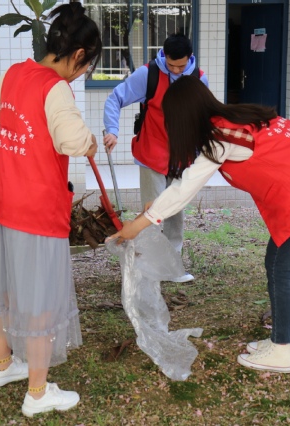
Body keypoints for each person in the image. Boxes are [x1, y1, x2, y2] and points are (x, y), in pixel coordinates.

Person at [109, 76, 290, 374]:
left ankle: (282, 350)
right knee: (280, 263)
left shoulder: (220, 137)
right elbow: (187, 177)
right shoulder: (230, 118)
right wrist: (155, 208)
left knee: (281, 266)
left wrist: (138, 225)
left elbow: (184, 189)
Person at [0, 3, 101, 417]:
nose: (83, 72)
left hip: (4, 200)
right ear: (78, 54)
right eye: (87, 65)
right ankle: (37, 391)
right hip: (35, 208)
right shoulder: (55, 87)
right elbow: (72, 140)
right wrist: (90, 142)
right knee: (41, 298)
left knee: (7, 288)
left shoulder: (17, 73)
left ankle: (1, 365)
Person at [102, 34, 209, 283]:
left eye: (181, 66)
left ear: (190, 58)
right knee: (151, 212)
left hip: (182, 156)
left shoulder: (198, 78)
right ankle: (147, 269)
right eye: (171, 65)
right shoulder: (148, 74)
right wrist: (112, 130)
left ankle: (172, 267)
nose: (175, 70)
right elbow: (115, 98)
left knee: (176, 213)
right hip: (152, 153)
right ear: (164, 56)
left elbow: (204, 116)